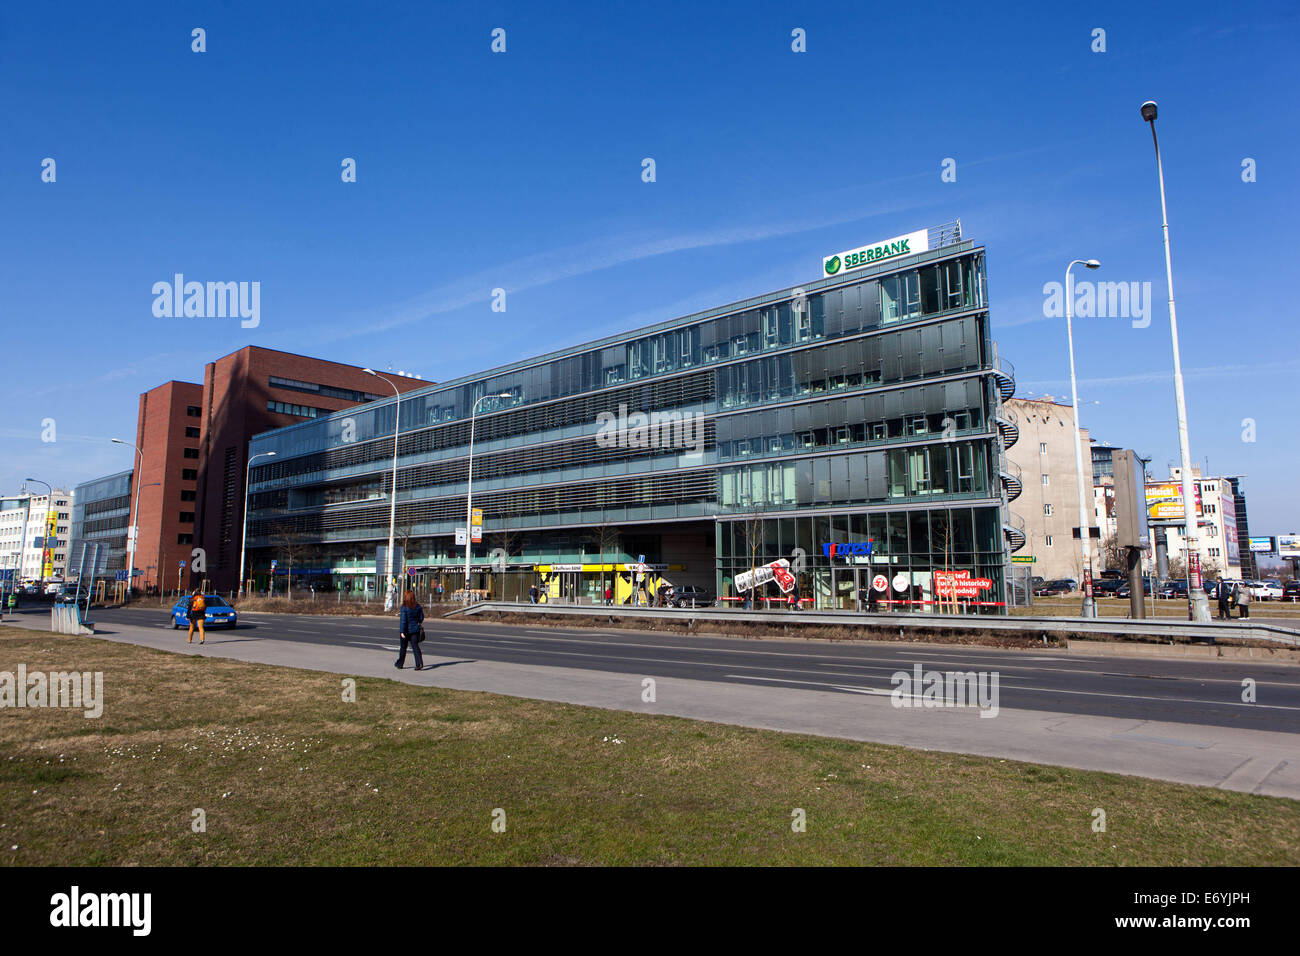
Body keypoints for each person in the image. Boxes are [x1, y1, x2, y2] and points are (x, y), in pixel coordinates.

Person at [396, 589, 425, 670]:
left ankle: (400, 663)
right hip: (415, 630)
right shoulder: (418, 606)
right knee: (415, 647)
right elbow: (421, 618)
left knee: (403, 648)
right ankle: (419, 664)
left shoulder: (404, 607)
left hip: (406, 631)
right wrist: (417, 622)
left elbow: (403, 621)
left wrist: (402, 631)